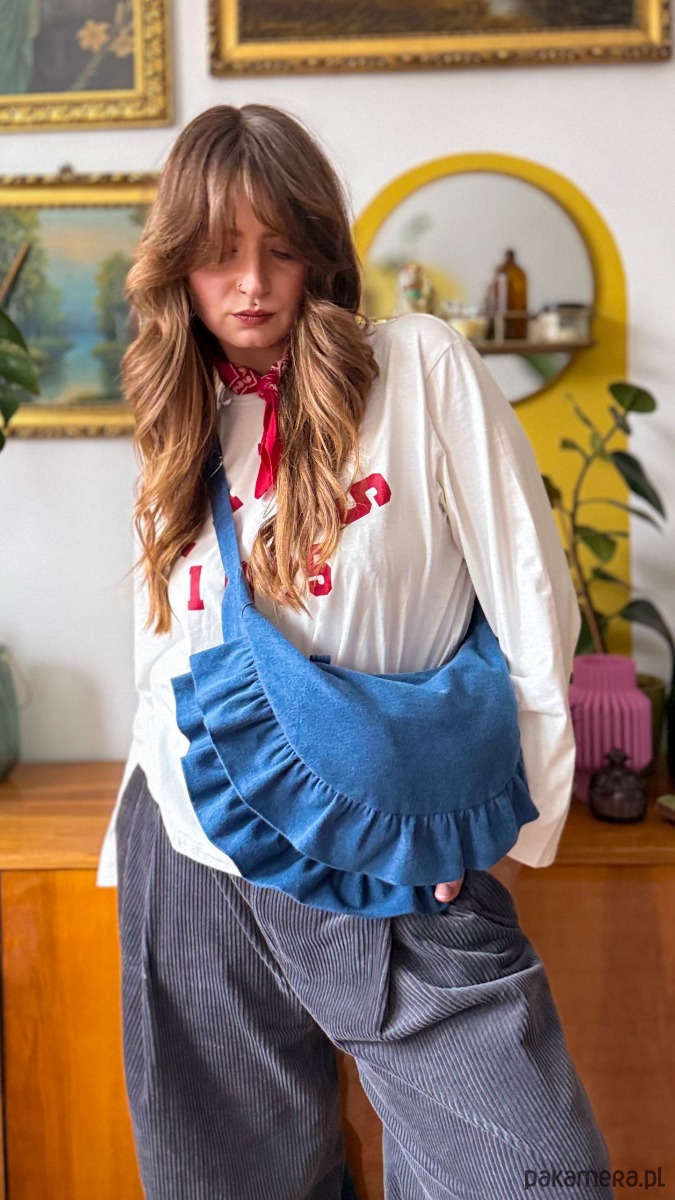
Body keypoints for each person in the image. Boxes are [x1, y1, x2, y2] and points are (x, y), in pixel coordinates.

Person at [98, 104, 614, 1199]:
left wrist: (511, 832)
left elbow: (531, 598)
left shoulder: (418, 368)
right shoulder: (182, 415)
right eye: (219, 252)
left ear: (320, 254)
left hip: (395, 839)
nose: (251, 283)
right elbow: (164, 646)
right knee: (227, 1180)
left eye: (279, 248)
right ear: (177, 266)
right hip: (189, 849)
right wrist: (131, 854)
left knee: (534, 1175)